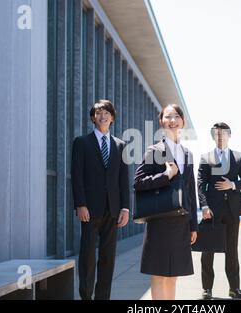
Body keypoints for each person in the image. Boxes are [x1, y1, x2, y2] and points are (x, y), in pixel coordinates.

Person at [134, 104, 198, 300]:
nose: (173, 120)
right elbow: (138, 182)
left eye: (177, 116)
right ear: (161, 121)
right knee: (160, 274)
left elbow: (190, 192)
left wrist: (193, 225)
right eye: (168, 117)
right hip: (160, 220)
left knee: (173, 275)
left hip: (181, 222)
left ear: (183, 122)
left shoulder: (187, 154)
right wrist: (166, 174)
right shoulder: (154, 150)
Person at [71, 100, 130, 300]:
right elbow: (76, 176)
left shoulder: (120, 145)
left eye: (106, 112)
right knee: (87, 257)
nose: (102, 116)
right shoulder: (81, 142)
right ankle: (86, 296)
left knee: (108, 258)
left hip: (112, 210)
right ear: (93, 117)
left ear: (112, 118)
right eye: (98, 112)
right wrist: (80, 204)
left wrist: (125, 208)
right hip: (89, 209)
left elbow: (123, 179)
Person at [197, 122, 241, 300]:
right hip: (211, 211)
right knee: (208, 250)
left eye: (223, 134)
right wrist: (204, 206)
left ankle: (234, 289)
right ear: (213, 136)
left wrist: (232, 185)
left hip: (232, 210)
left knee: (232, 250)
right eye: (216, 134)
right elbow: (200, 184)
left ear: (229, 135)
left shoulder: (238, 157)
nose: (220, 137)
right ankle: (207, 289)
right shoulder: (206, 157)